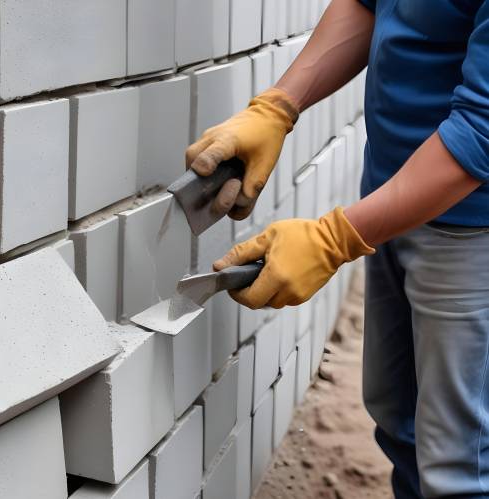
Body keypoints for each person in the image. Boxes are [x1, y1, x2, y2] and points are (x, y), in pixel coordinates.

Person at [186, 0, 489, 497]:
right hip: (393, 200)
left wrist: (335, 239)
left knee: (462, 467)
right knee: (402, 423)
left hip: (472, 229)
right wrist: (278, 105)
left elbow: (481, 133)